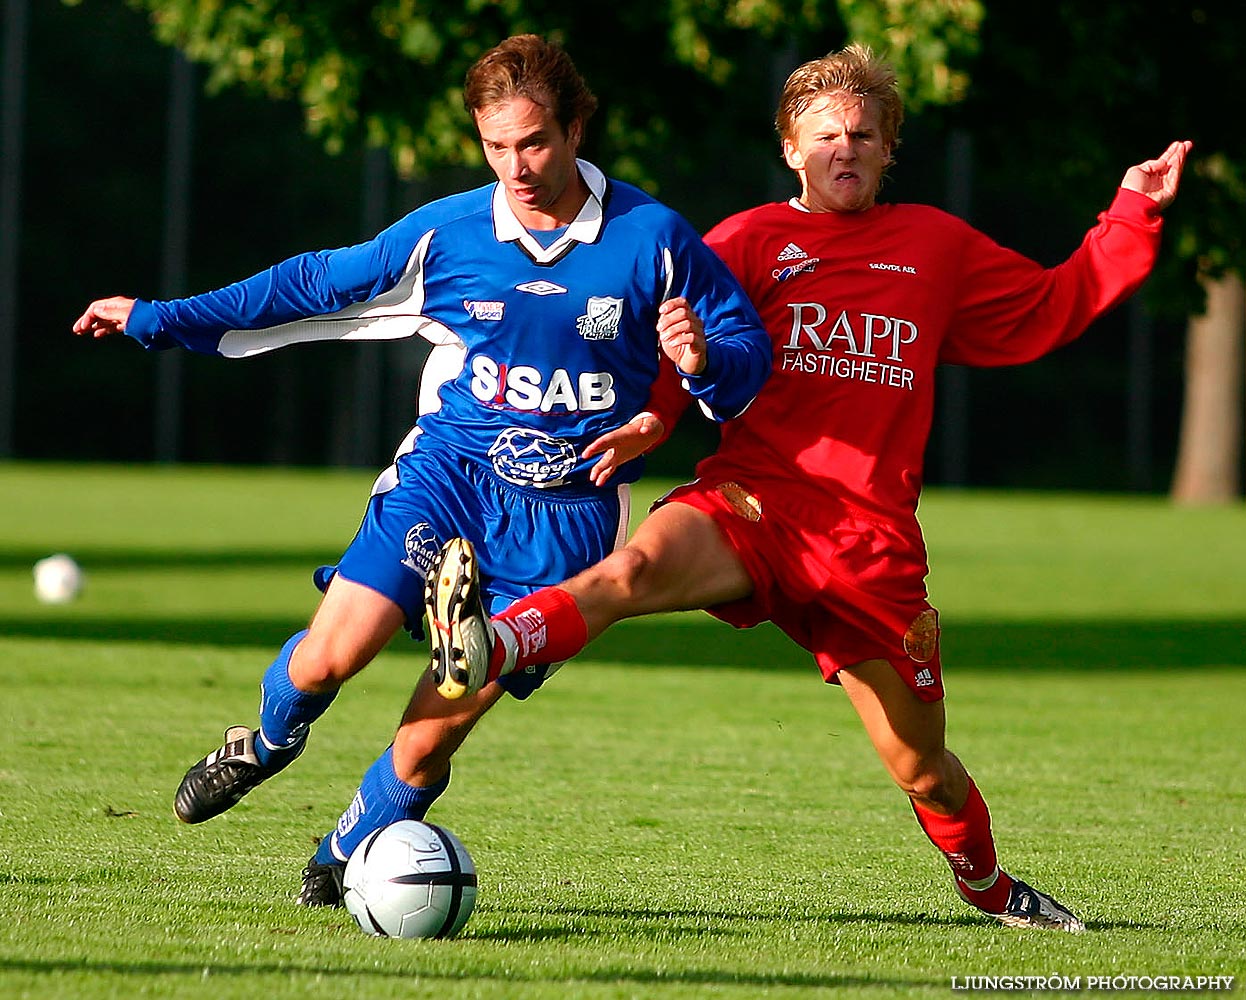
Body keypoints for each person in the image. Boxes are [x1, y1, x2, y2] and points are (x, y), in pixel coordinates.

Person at [432, 44, 1192, 932]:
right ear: (791, 147)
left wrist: (1131, 211)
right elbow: (668, 339)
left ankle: (988, 886)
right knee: (630, 572)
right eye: (826, 134)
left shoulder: (937, 247)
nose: (846, 148)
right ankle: (489, 641)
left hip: (869, 544)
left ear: (887, 148)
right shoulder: (746, 241)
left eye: (864, 134)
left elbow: (1052, 305)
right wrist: (655, 409)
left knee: (922, 767)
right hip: (754, 501)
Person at [72, 34, 771, 907]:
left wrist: (704, 360)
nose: (515, 167)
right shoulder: (448, 234)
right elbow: (314, 284)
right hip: (451, 475)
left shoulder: (653, 238)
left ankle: (342, 858)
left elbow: (746, 356)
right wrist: (159, 317)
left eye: (535, 142)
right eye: (495, 145)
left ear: (577, 126)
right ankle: (266, 742)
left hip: (565, 519)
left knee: (427, 743)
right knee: (330, 659)